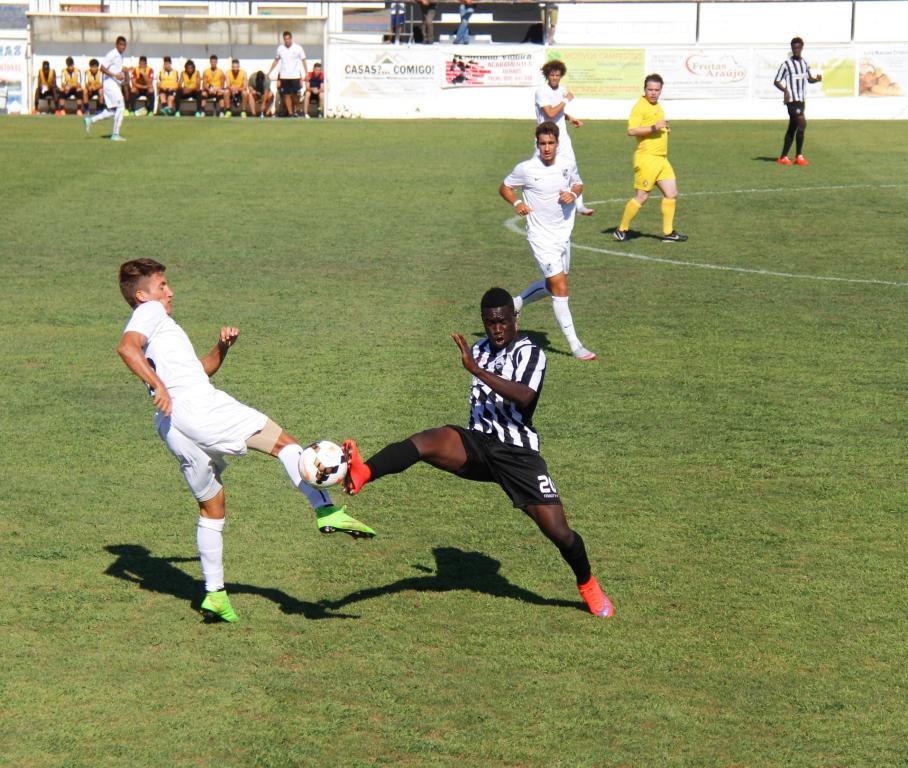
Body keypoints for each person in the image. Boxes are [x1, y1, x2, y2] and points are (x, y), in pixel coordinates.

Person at [116, 259, 375, 623]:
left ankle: (215, 596)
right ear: (143, 295)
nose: (169, 292)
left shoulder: (158, 327)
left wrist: (222, 347)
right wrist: (158, 385)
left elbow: (199, 371)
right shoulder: (151, 312)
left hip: (173, 426)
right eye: (162, 286)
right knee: (284, 444)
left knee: (212, 509)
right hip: (198, 407)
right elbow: (126, 348)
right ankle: (326, 511)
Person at [341, 287, 614, 619]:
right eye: (489, 323)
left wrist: (477, 371)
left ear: (515, 318)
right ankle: (364, 472)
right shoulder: (480, 350)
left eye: (502, 321)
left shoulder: (530, 353)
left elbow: (525, 398)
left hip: (517, 454)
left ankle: (587, 584)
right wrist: (477, 365)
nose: (496, 329)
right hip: (478, 444)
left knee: (559, 532)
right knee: (427, 440)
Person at [500, 121, 597, 362]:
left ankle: (515, 304)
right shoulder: (526, 168)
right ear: (537, 144)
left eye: (550, 143)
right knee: (560, 288)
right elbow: (505, 187)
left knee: (552, 284)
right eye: (542, 143)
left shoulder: (566, 164)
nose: (546, 148)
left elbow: (578, 183)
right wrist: (517, 203)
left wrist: (572, 193)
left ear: (557, 143)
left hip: (562, 235)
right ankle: (575, 345)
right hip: (540, 237)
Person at [613, 73, 687, 243]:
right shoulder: (640, 107)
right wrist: (654, 127)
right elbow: (631, 130)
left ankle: (668, 232)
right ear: (644, 89)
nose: (653, 93)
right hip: (647, 159)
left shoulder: (657, 106)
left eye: (656, 90)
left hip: (662, 159)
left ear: (660, 90)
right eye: (650, 89)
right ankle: (621, 229)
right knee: (642, 196)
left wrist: (664, 129)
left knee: (671, 193)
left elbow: (657, 125)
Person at [535, 60, 594, 217]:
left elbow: (558, 112)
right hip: (545, 138)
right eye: (552, 75)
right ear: (547, 75)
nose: (555, 78)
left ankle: (579, 205)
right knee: (539, 170)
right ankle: (538, 203)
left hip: (562, 138)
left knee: (572, 167)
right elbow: (550, 113)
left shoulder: (561, 90)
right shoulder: (542, 91)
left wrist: (570, 118)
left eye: (557, 75)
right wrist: (566, 100)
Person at [773, 37, 823, 166]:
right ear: (792, 48)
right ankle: (799, 156)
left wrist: (816, 79)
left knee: (793, 128)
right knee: (802, 123)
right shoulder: (786, 65)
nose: (796, 50)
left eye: (798, 48)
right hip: (791, 100)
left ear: (801, 48)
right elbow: (776, 81)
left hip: (801, 100)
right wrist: (785, 90)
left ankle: (783, 157)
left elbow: (809, 79)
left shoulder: (805, 63)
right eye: (794, 48)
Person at [83, 36, 128, 141]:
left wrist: (122, 75)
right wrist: (115, 75)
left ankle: (91, 120)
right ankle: (115, 134)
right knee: (121, 107)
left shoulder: (120, 56)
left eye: (124, 45)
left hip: (114, 84)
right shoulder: (113, 54)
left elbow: (115, 70)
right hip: (110, 84)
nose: (123, 47)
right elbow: (102, 68)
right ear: (116, 45)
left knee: (113, 111)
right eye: (121, 45)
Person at [268, 30, 307, 117]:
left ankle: (295, 110)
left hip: (295, 76)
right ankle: (290, 112)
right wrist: (269, 72)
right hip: (284, 76)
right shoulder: (280, 49)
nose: (287, 41)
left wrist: (306, 73)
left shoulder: (298, 48)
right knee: (286, 95)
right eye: (285, 39)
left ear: (291, 38)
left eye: (288, 39)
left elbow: (303, 60)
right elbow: (276, 60)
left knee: (296, 95)